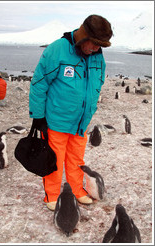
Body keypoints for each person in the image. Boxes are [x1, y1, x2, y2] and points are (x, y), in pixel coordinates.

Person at [29, 14, 113, 211]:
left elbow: (97, 81)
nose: (96, 49)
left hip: (80, 121)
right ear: (84, 36)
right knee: (54, 159)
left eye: (100, 45)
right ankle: (53, 194)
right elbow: (39, 83)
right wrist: (38, 116)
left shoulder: (96, 54)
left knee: (76, 158)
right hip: (56, 119)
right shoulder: (58, 50)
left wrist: (89, 106)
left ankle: (77, 190)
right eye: (94, 44)